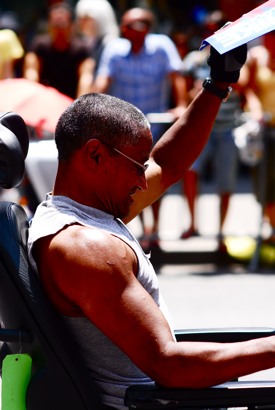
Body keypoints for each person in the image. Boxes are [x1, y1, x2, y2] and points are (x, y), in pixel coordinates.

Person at [28, 43, 275, 410]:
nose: (144, 181)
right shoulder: (87, 248)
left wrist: (218, 84)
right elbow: (170, 367)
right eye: (137, 165)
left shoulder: (86, 212)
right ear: (95, 155)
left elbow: (169, 164)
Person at [92, 7, 187, 249]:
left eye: (130, 25)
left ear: (144, 28)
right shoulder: (114, 49)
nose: (124, 30)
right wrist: (90, 104)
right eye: (123, 25)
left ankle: (154, 228)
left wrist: (181, 105)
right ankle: (144, 228)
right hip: (126, 129)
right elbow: (103, 80)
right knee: (131, 179)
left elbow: (176, 76)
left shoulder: (161, 46)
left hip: (155, 123)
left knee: (155, 175)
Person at [180, 11, 249, 250]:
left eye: (216, 27)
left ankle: (221, 233)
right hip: (202, 126)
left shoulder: (239, 54)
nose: (212, 30)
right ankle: (192, 224)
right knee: (190, 171)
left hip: (228, 127)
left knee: (226, 181)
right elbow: (186, 93)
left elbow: (243, 87)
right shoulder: (194, 58)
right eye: (209, 27)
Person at [23, 2, 94, 99]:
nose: (59, 30)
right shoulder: (39, 46)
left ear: (71, 26)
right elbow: (31, 74)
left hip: (71, 102)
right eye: (56, 25)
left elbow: (85, 80)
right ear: (49, 25)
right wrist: (32, 97)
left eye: (62, 25)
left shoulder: (81, 49)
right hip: (44, 99)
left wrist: (79, 106)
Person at [245, 31, 275, 243]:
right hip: (265, 130)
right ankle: (272, 228)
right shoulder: (256, 56)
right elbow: (248, 90)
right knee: (265, 181)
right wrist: (255, 109)